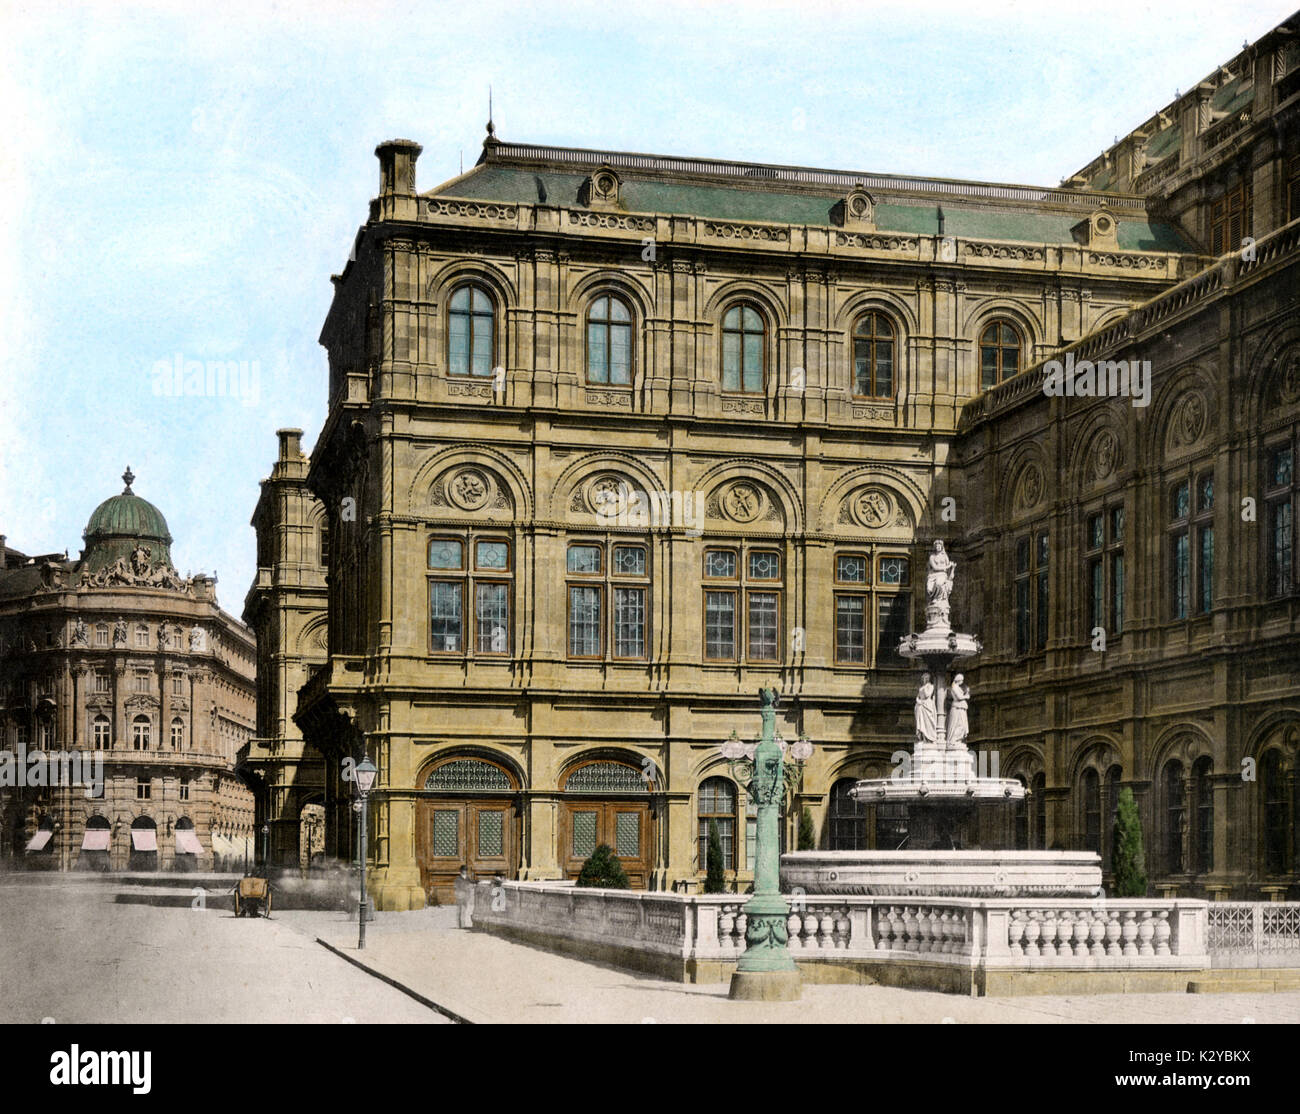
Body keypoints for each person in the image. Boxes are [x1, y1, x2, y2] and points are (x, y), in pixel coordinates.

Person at [947, 674, 971, 748]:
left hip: (961, 708)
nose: (962, 682)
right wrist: (966, 696)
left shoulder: (957, 687)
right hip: (957, 708)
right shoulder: (954, 687)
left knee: (962, 725)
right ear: (958, 680)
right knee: (957, 724)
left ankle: (958, 740)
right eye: (961, 680)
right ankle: (953, 741)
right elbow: (959, 697)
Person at [914, 672, 937, 744]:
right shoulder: (921, 687)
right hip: (920, 705)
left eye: (924, 679)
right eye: (922, 679)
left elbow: (927, 694)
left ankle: (929, 738)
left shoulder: (931, 686)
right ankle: (923, 738)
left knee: (928, 722)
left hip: (927, 705)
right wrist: (918, 701)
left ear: (927, 679)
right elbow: (918, 697)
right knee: (921, 722)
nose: (923, 680)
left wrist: (924, 688)